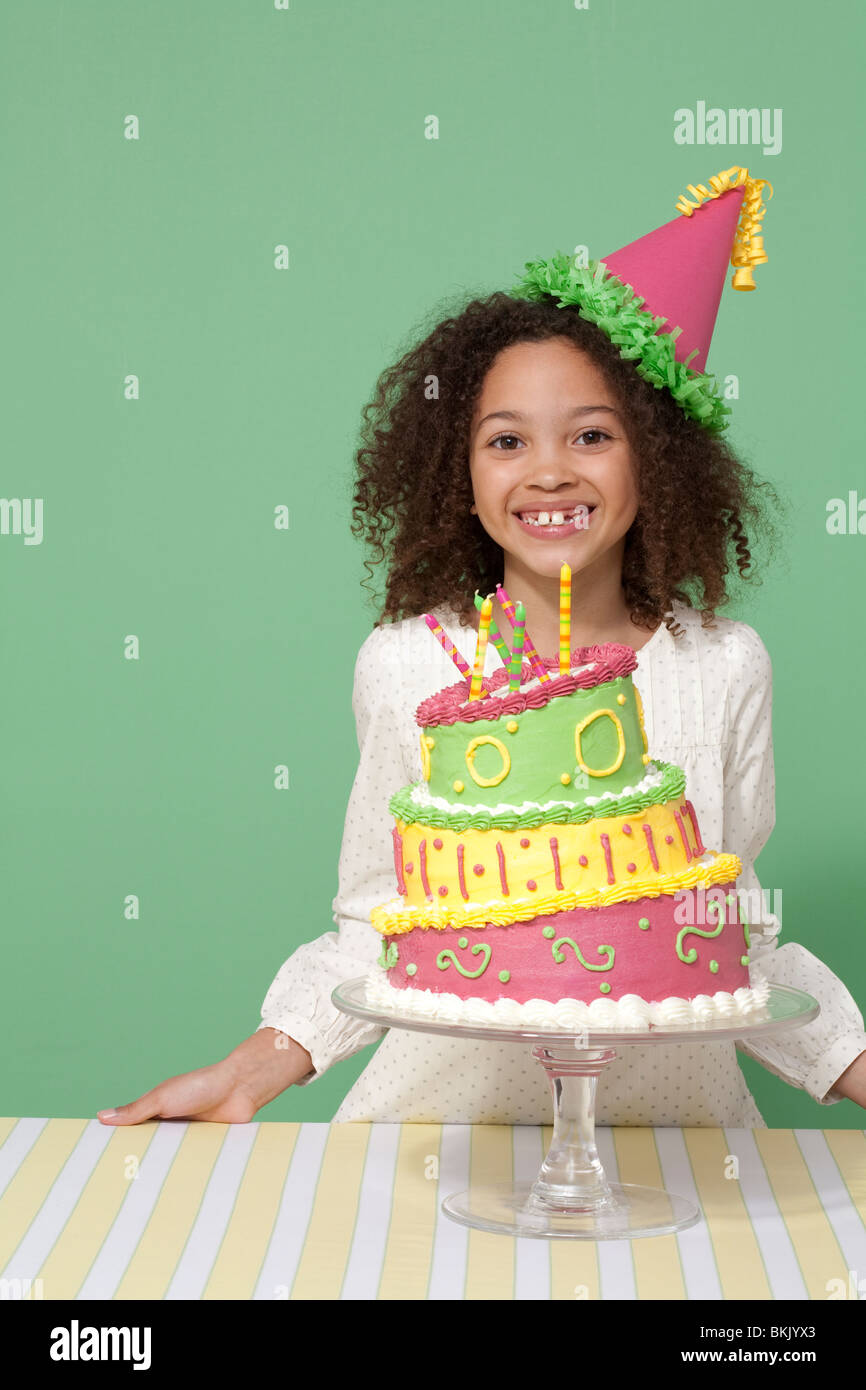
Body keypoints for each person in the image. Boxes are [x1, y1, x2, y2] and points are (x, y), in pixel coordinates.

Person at [98, 169, 866, 1128]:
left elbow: (728, 928)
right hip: (436, 1142)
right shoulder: (409, 664)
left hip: (675, 1149)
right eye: (506, 442)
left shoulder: (722, 665)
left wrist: (850, 1057)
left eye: (592, 434)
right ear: (458, 475)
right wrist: (251, 1070)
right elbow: (378, 922)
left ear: (655, 459)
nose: (550, 470)